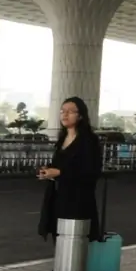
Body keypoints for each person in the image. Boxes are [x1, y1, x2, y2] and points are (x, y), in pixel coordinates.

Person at [38, 96, 102, 243]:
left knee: (74, 242)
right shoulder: (62, 139)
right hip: (58, 197)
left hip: (78, 200)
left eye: (70, 111)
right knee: (58, 235)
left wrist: (60, 173)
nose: (65, 115)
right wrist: (48, 171)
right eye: (62, 111)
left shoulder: (89, 140)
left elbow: (91, 171)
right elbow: (60, 166)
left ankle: (71, 266)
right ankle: (61, 266)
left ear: (80, 115)